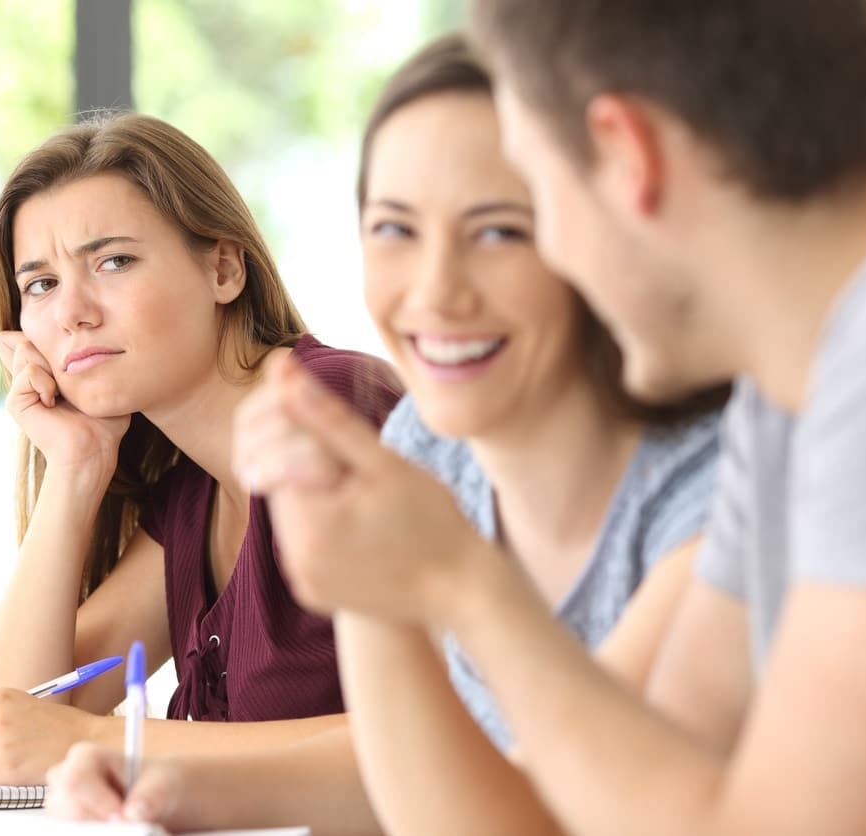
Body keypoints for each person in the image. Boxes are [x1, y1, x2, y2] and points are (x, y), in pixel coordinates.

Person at [221, 2, 866, 835]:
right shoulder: (788, 392)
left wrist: (461, 581)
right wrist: (374, 579)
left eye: (528, 204)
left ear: (623, 153)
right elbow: (612, 817)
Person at [43, 36, 725, 831]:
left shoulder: (712, 493)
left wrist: (447, 576)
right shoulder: (427, 451)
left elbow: (562, 802)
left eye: (500, 230)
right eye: (395, 230)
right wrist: (164, 785)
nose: (435, 292)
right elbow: (421, 773)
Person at [0, 112, 402, 792]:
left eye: (113, 261)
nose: (73, 313)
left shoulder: (332, 416)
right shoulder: (192, 487)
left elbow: (436, 739)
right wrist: (75, 467)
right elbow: (13, 727)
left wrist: (94, 741)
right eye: (41, 284)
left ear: (224, 269)